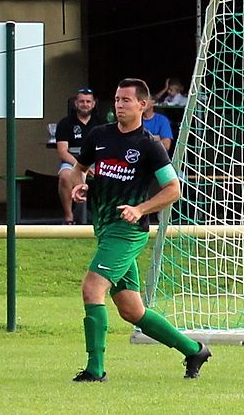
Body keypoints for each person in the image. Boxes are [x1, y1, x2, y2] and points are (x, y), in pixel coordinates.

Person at [64, 78, 210, 382]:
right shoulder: (99, 136)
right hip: (105, 229)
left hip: (128, 231)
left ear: (143, 105)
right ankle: (194, 350)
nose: (119, 105)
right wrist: (83, 185)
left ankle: (95, 370)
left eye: (126, 100)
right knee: (132, 310)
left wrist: (141, 209)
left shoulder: (149, 145)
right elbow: (80, 169)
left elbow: (173, 189)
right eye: (117, 99)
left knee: (92, 288)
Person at [55, 87, 104, 224]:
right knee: (65, 176)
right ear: (76, 103)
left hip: (96, 162)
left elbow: (107, 149)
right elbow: (62, 151)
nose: (85, 104)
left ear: (93, 104)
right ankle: (69, 218)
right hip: (72, 161)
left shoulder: (102, 124)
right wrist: (81, 167)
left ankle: (104, 216)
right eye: (81, 101)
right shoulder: (65, 123)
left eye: (88, 101)